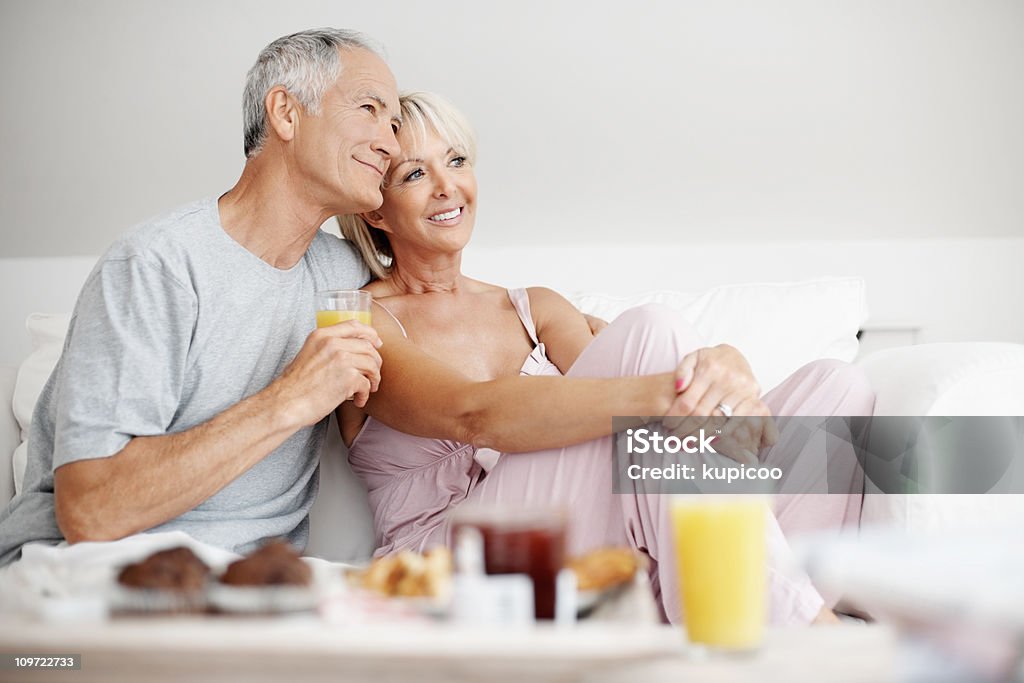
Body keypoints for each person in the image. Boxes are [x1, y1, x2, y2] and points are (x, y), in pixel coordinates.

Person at [337, 91, 874, 624]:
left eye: (456, 161)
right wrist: (671, 389)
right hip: (449, 562)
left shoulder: (533, 308)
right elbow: (471, 414)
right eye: (414, 175)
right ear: (375, 209)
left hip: (581, 547)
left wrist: (726, 363)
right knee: (653, 333)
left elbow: (652, 425)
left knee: (837, 389)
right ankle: (801, 628)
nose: (447, 186)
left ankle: (745, 609)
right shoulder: (363, 321)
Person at [0, 28, 399, 566]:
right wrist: (291, 399)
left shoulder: (343, 273)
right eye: (370, 108)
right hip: (84, 571)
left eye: (394, 125)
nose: (391, 144)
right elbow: (91, 511)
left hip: (249, 590)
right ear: (285, 113)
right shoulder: (157, 264)